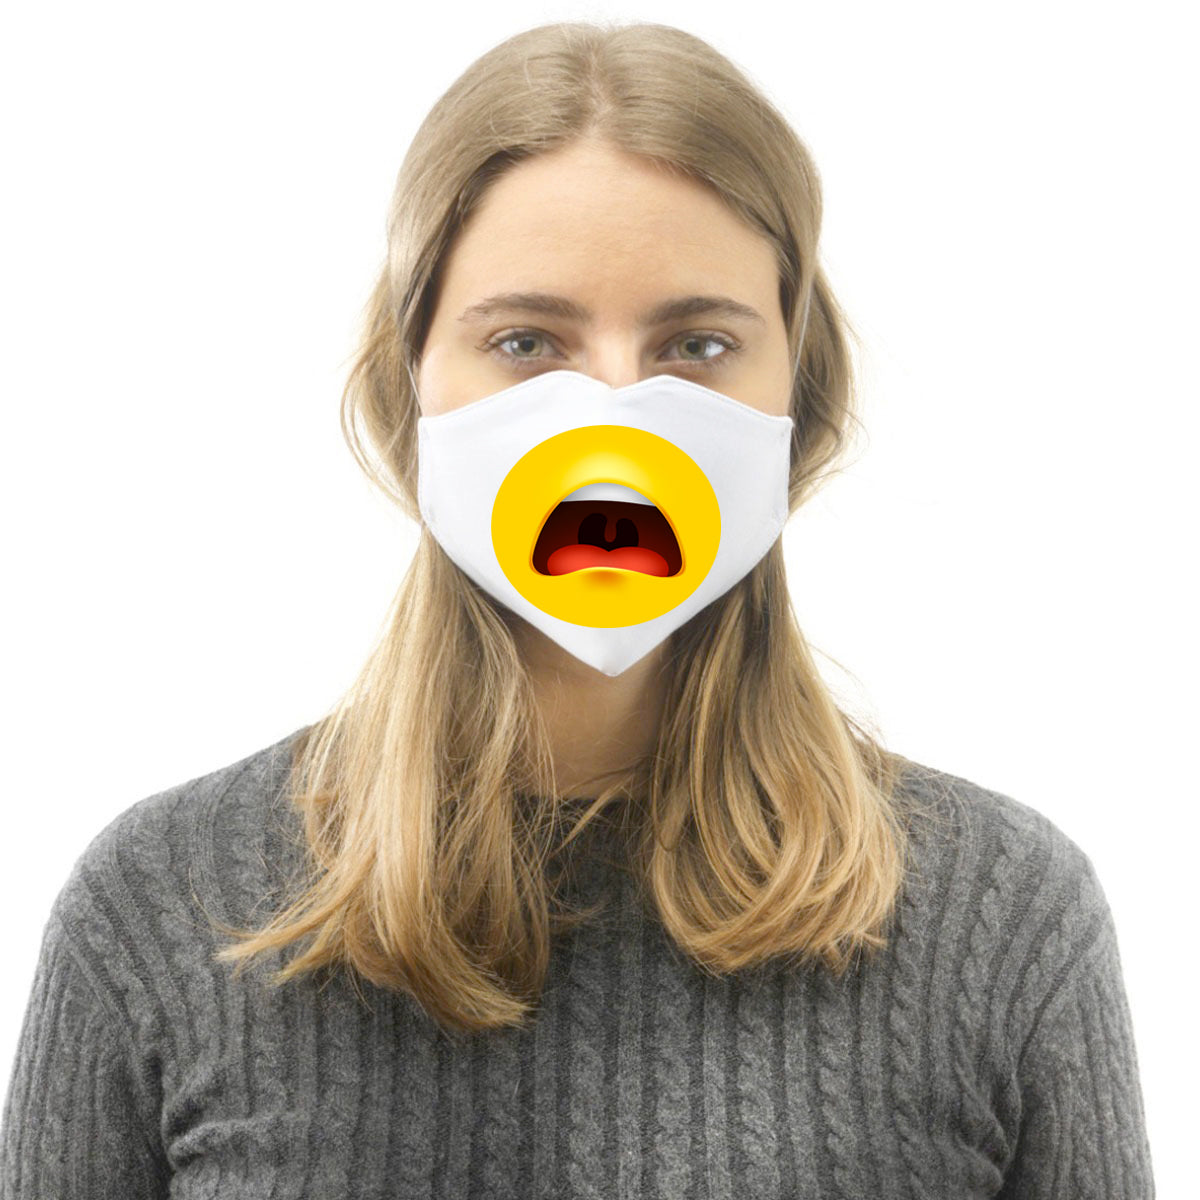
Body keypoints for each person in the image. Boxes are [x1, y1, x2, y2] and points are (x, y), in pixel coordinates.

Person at [0, 20, 1154, 1199]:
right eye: (525, 342)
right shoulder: (164, 909)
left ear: (796, 395)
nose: (613, 416)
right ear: (411, 386)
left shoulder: (1003, 923)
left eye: (696, 344)